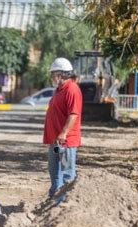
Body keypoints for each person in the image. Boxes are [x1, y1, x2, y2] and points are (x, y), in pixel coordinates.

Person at [43, 57, 82, 199]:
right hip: (55, 141)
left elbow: (73, 114)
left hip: (66, 141)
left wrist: (63, 133)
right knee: (54, 171)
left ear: (61, 74)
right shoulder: (59, 90)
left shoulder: (71, 89)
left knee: (67, 173)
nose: (52, 77)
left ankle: (64, 202)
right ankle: (53, 200)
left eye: (54, 74)